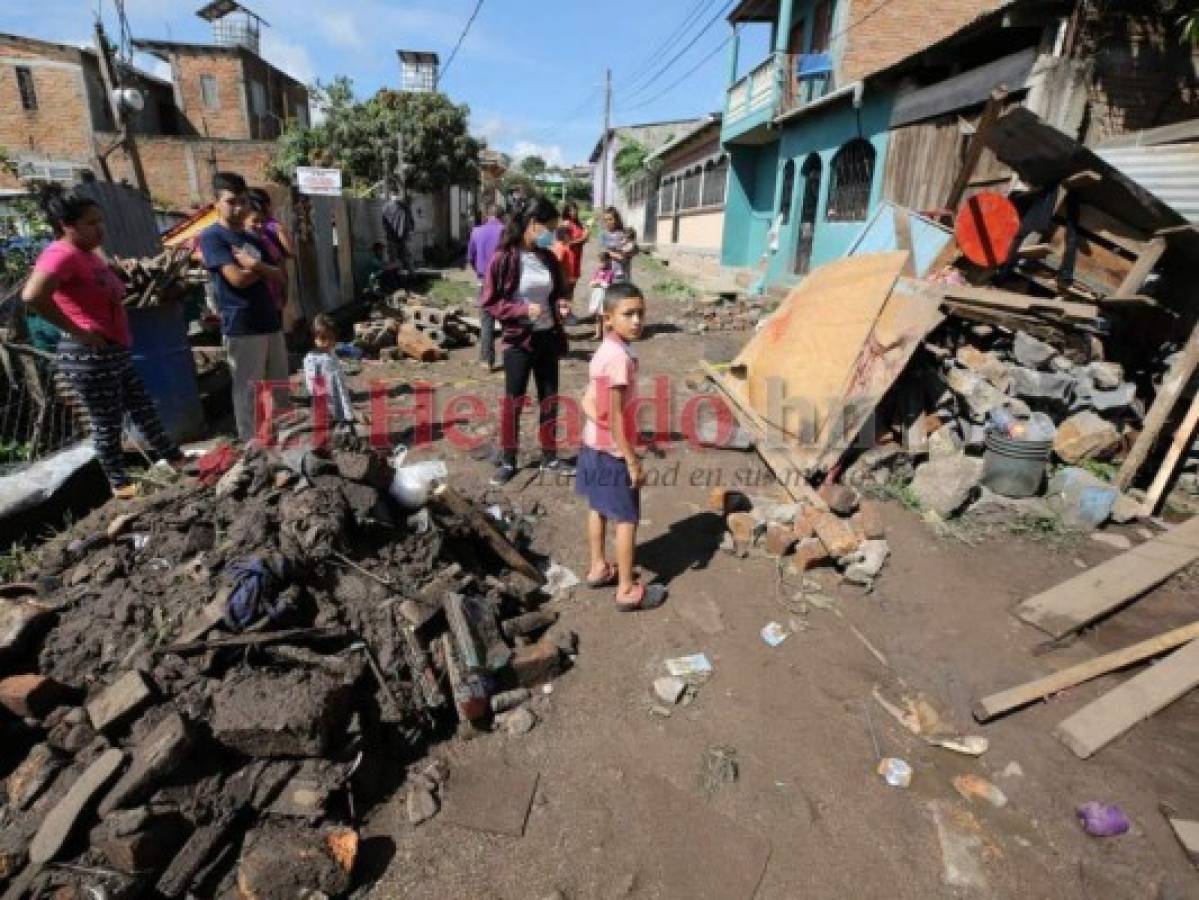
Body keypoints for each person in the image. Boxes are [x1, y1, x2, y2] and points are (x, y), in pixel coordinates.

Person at [22, 187, 181, 499]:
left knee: (141, 404)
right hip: (89, 351)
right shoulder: (61, 253)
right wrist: (78, 330)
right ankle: (119, 483)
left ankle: (172, 456)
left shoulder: (87, 255)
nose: (100, 228)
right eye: (92, 223)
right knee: (107, 419)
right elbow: (33, 295)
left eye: (100, 221)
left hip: (113, 347)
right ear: (69, 226)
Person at [576, 282, 667, 610]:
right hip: (613, 453)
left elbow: (588, 402)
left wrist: (604, 427)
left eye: (641, 313)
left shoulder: (605, 351)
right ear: (608, 317)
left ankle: (599, 567)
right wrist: (631, 459)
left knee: (597, 508)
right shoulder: (618, 359)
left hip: (592, 446)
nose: (637, 321)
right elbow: (614, 415)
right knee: (626, 519)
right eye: (628, 314)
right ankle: (627, 590)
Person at [481, 195, 572, 486]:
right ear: (533, 225)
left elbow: (557, 292)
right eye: (549, 228)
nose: (552, 235)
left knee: (549, 400)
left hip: (547, 337)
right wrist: (521, 310)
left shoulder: (547, 257)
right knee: (514, 403)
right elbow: (490, 302)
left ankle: (550, 457)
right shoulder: (504, 257)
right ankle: (508, 460)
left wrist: (560, 305)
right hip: (519, 342)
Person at [198, 172, 288, 443]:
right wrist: (263, 269)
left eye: (244, 201)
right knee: (250, 392)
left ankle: (286, 441)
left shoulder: (254, 239)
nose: (239, 208)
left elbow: (281, 274)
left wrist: (255, 266)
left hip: (269, 319)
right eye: (231, 201)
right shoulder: (213, 237)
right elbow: (236, 279)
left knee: (279, 388)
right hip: (242, 324)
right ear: (216, 203)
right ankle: (254, 447)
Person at [466, 203, 504, 371]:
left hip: (484, 281)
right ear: (501, 216)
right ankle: (512, 358)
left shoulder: (476, 231)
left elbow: (471, 257)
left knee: (487, 321)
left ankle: (486, 361)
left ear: (487, 215)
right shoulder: (506, 231)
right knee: (509, 321)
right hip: (505, 281)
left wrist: (480, 273)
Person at [303, 314, 354, 430]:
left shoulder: (332, 354)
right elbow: (312, 383)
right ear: (314, 338)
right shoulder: (312, 359)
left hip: (339, 397)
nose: (328, 342)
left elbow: (338, 375)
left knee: (345, 424)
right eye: (323, 338)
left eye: (331, 338)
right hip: (325, 402)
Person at [245, 196, 285, 312]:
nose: (260, 225)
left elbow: (279, 262)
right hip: (256, 304)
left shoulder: (265, 241)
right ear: (244, 219)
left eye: (262, 221)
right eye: (255, 221)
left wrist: (283, 290)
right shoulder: (241, 243)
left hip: (273, 300)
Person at [382, 192, 416, 278]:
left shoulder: (404, 209)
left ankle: (406, 278)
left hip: (397, 238)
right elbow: (410, 223)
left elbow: (410, 222)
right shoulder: (398, 207)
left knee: (400, 258)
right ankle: (403, 278)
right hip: (397, 237)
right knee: (400, 258)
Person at [599, 206, 637, 283]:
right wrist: (613, 254)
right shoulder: (603, 234)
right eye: (605, 220)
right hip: (608, 274)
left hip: (623, 273)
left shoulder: (624, 233)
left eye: (610, 219)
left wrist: (629, 252)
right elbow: (602, 251)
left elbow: (635, 249)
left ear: (616, 219)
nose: (608, 222)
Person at [560, 201, 589, 292]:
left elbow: (581, 241)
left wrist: (585, 238)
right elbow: (567, 243)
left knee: (572, 287)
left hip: (577, 258)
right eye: (571, 210)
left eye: (575, 209)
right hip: (569, 259)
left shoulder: (578, 224)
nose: (574, 212)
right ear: (567, 212)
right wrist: (584, 238)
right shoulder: (566, 224)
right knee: (566, 288)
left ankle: (569, 304)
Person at [550, 225, 577, 325]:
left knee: (560, 302)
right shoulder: (561, 248)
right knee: (562, 302)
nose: (572, 237)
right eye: (570, 235)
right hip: (561, 280)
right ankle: (561, 321)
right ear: (565, 236)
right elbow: (558, 263)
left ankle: (561, 321)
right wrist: (564, 280)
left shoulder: (558, 246)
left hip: (561, 279)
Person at [587, 253, 615, 341]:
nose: (600, 264)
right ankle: (597, 334)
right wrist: (597, 282)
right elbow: (591, 283)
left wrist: (598, 282)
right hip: (597, 296)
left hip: (604, 296)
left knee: (604, 317)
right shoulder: (597, 271)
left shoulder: (610, 272)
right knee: (597, 317)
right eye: (599, 262)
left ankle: (606, 336)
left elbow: (607, 285)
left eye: (602, 262)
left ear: (608, 261)